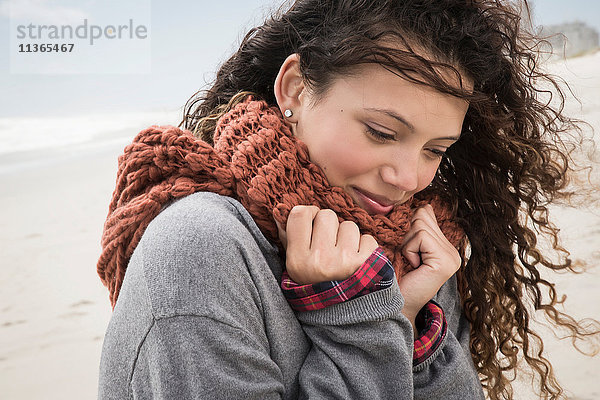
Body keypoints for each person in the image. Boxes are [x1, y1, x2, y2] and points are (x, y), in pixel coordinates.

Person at [97, 0, 599, 399]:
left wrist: (406, 313)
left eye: (435, 150)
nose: (408, 178)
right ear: (293, 89)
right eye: (381, 132)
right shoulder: (200, 249)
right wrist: (363, 325)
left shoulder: (411, 246)